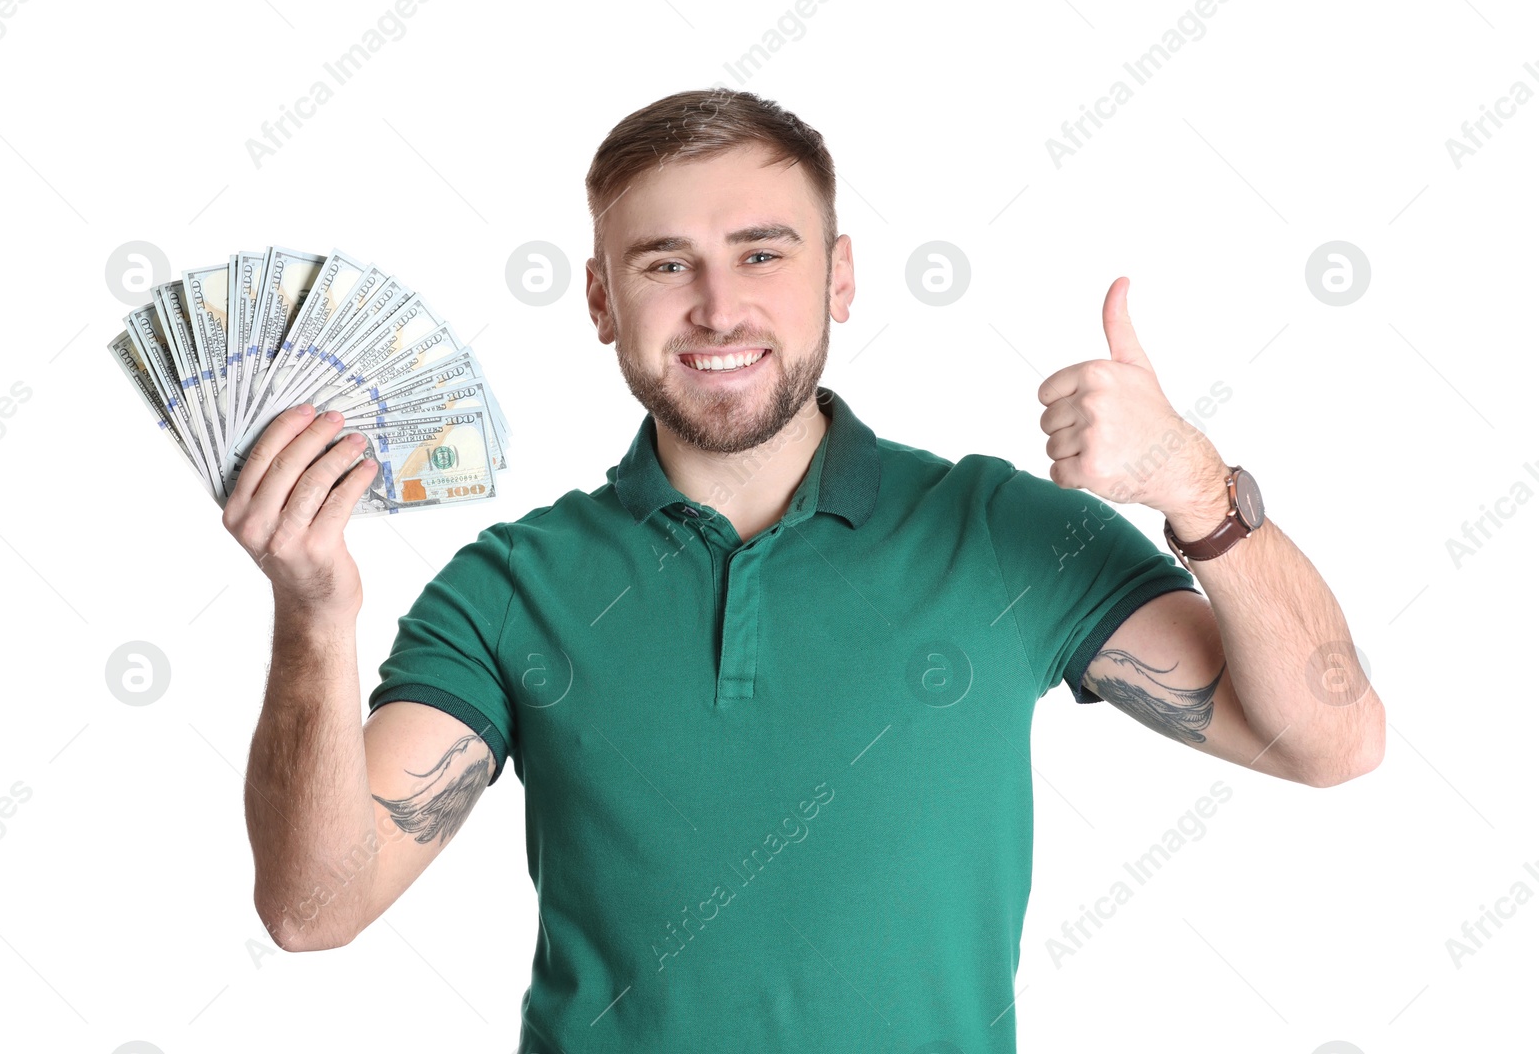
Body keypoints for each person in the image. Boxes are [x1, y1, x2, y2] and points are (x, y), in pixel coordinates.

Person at [223, 88, 1384, 1053]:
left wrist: (1195, 486)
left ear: (838, 278)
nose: (718, 306)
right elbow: (314, 907)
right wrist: (312, 612)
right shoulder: (511, 585)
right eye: (665, 261)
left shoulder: (998, 529)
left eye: (762, 253)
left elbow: (1330, 741)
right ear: (599, 299)